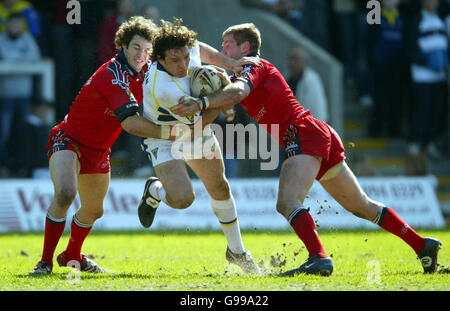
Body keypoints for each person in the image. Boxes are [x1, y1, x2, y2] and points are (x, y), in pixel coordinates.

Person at [170, 23, 443, 276]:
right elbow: (224, 105)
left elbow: (236, 95)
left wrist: (203, 102)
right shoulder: (235, 79)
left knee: (287, 203)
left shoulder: (255, 65)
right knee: (362, 207)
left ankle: (319, 257)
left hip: (302, 133)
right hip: (313, 134)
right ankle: (423, 246)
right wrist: (183, 125)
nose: (223, 50)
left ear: (245, 48)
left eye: (227, 44)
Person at [29, 16, 174, 276]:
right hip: (69, 140)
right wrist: (175, 132)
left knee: (94, 211)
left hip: (99, 150)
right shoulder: (112, 74)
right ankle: (45, 262)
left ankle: (72, 255)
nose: (141, 55)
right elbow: (131, 124)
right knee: (65, 193)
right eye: (136, 48)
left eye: (146, 50)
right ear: (123, 46)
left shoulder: (148, 73)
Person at [137, 18, 260, 274]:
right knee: (182, 200)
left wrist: (230, 64)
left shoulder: (184, 49)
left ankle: (237, 252)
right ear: (159, 58)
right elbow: (197, 125)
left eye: (185, 58)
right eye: (175, 61)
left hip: (192, 123)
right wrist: (221, 98)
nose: (183, 65)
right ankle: (155, 191)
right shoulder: (164, 88)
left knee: (219, 185)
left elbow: (200, 49)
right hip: (166, 134)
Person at [406, 0, 449, 159]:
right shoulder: (417, 19)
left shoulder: (441, 19)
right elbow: (410, 46)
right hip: (422, 75)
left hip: (439, 75)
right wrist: (425, 60)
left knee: (437, 110)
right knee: (421, 110)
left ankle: (431, 142)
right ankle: (415, 142)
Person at [0, 13, 41, 176]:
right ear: (8, 24)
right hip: (5, 94)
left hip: (24, 94)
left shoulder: (27, 39)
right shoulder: (2, 39)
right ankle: (3, 165)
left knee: (23, 132)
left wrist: (12, 60)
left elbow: (35, 57)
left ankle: (23, 166)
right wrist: (19, 60)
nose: (14, 27)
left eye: (18, 24)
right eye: (12, 23)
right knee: (4, 132)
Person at [286, 46, 328, 122]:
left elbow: (318, 108)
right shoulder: (286, 78)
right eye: (290, 59)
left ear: (304, 62)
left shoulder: (311, 80)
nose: (292, 62)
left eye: (296, 59)